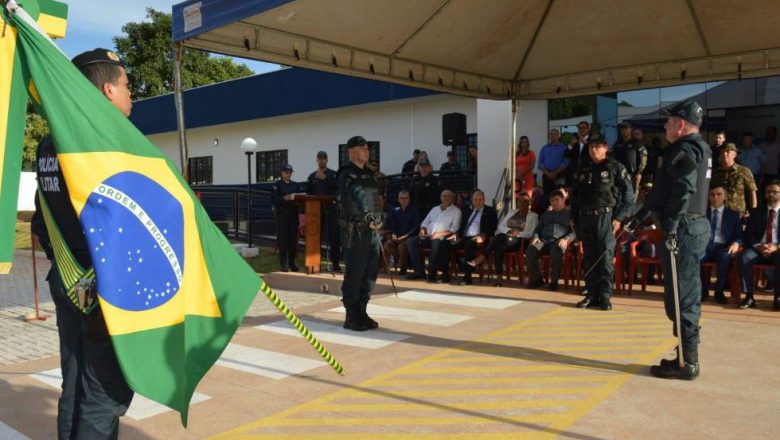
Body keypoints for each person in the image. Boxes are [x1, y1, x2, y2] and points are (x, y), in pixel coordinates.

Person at [30, 48, 134, 439]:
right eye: (126, 85)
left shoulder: (50, 143)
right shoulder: (102, 142)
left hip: (67, 281)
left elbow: (42, 223)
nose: (131, 94)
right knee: (103, 392)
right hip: (101, 286)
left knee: (74, 381)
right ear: (107, 89)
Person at [642, 100, 712, 380]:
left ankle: (687, 362)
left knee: (681, 297)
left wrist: (669, 225)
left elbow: (684, 187)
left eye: (669, 122)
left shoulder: (684, 149)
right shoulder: (701, 148)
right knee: (685, 294)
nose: (665, 126)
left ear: (680, 124)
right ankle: (685, 352)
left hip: (682, 229)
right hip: (691, 225)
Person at [572, 133, 634, 310]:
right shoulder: (582, 168)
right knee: (589, 258)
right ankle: (591, 294)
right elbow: (575, 197)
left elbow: (628, 196)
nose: (594, 150)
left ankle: (605, 297)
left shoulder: (615, 167)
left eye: (598, 146)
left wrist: (619, 218)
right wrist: (573, 218)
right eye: (591, 146)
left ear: (606, 148)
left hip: (606, 218)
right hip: (585, 217)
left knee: (605, 258)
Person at [337, 135, 383, 331]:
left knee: (370, 274)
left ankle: (362, 311)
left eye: (367, 147)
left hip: (372, 232)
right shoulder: (346, 174)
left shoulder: (370, 174)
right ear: (352, 151)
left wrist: (379, 218)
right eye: (362, 147)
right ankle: (351, 315)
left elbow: (376, 197)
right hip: (355, 231)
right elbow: (359, 194)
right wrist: (368, 213)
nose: (367, 150)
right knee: (355, 273)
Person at [467, 193, 538, 286]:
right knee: (499, 246)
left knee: (499, 239)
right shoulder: (511, 212)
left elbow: (531, 232)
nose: (522, 203)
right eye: (520, 201)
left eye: (525, 201)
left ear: (530, 203)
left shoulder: (533, 216)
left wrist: (518, 233)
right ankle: (499, 277)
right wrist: (510, 230)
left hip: (519, 241)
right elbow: (500, 226)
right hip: (505, 238)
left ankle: (482, 257)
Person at [738, 180, 780, 311]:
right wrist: (759, 246)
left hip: (777, 249)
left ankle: (778, 297)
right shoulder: (756, 212)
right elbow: (748, 234)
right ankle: (749, 296)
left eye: (774, 192)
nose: (771, 194)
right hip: (758, 248)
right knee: (744, 257)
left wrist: (776, 246)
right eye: (768, 192)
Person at [405, 190, 462, 283]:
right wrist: (422, 230)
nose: (446, 198)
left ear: (453, 198)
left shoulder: (456, 211)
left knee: (436, 242)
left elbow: (454, 228)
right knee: (411, 242)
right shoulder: (434, 209)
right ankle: (419, 271)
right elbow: (424, 223)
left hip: (444, 238)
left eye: (449, 196)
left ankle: (432, 273)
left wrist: (439, 234)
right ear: (440, 198)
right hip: (429, 236)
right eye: (444, 196)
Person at [525, 190, 575, 291]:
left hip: (558, 242)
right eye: (552, 201)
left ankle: (554, 281)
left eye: (557, 200)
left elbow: (576, 232)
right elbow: (537, 229)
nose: (554, 203)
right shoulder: (546, 214)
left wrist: (566, 239)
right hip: (543, 242)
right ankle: (538, 279)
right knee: (530, 251)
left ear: (563, 199)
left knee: (557, 250)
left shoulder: (570, 214)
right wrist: (535, 236)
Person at [700, 186, 742, 304]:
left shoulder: (733, 215)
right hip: (705, 246)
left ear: (725, 196)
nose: (715, 197)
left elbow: (739, 235)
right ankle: (703, 290)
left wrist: (736, 243)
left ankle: (719, 291)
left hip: (723, 246)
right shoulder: (702, 213)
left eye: (719, 194)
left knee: (725, 258)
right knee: (696, 258)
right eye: (712, 194)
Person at [453, 189, 497, 285]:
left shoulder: (490, 211)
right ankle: (444, 273)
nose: (478, 202)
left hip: (479, 238)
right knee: (446, 243)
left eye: (480, 199)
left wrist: (482, 235)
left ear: (484, 199)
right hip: (464, 237)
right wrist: (456, 234)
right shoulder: (467, 211)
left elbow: (493, 228)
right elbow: (461, 226)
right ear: (471, 200)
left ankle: (467, 277)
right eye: (475, 200)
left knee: (469, 244)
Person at [307, 151, 341, 272]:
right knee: (316, 237)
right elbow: (309, 195)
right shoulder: (312, 176)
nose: (322, 160)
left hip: (331, 209)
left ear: (327, 160)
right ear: (316, 160)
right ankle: (315, 264)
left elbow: (338, 188)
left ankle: (335, 264)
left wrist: (325, 179)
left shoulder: (333, 174)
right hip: (316, 211)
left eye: (324, 158)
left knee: (334, 238)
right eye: (319, 158)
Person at [710, 142, 757, 217]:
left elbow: (752, 193)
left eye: (728, 151)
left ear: (734, 155)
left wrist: (753, 213)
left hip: (738, 215)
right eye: (722, 152)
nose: (725, 154)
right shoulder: (715, 172)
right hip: (718, 214)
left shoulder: (744, 171)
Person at [271, 163, 301, 272]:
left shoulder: (295, 185)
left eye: (290, 172)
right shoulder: (277, 185)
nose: (288, 174)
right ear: (282, 173)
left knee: (292, 240)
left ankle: (292, 263)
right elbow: (273, 200)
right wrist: (284, 198)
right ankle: (283, 263)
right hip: (282, 215)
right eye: (286, 172)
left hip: (293, 215)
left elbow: (300, 198)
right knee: (283, 240)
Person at [383, 190, 420, 275]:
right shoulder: (395, 211)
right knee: (387, 244)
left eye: (406, 198)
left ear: (409, 199)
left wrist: (406, 236)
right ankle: (402, 261)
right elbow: (393, 226)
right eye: (402, 198)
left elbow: (415, 227)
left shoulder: (414, 211)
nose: (404, 200)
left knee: (401, 247)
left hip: (410, 237)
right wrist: (394, 235)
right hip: (398, 237)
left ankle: (403, 268)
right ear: (398, 200)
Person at [610, 122, 647, 194]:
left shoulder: (637, 143)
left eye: (626, 128)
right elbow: (612, 157)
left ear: (631, 129)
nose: (624, 131)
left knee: (632, 195)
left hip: (632, 174)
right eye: (622, 129)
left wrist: (639, 173)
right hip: (618, 174)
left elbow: (643, 158)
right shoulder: (617, 143)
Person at [537, 129, 569, 207]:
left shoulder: (564, 148)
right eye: (551, 134)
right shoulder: (544, 148)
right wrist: (548, 173)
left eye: (555, 134)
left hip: (560, 175)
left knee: (559, 195)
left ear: (558, 135)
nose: (553, 136)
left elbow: (565, 163)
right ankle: (547, 215)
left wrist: (555, 172)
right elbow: (540, 163)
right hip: (547, 175)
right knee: (546, 197)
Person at [564, 121, 591, 186]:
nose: (582, 130)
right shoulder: (575, 140)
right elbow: (566, 155)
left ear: (588, 129)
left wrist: (583, 140)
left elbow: (593, 150)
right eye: (580, 128)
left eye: (584, 128)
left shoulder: (592, 139)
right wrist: (571, 144)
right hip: (574, 172)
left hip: (587, 171)